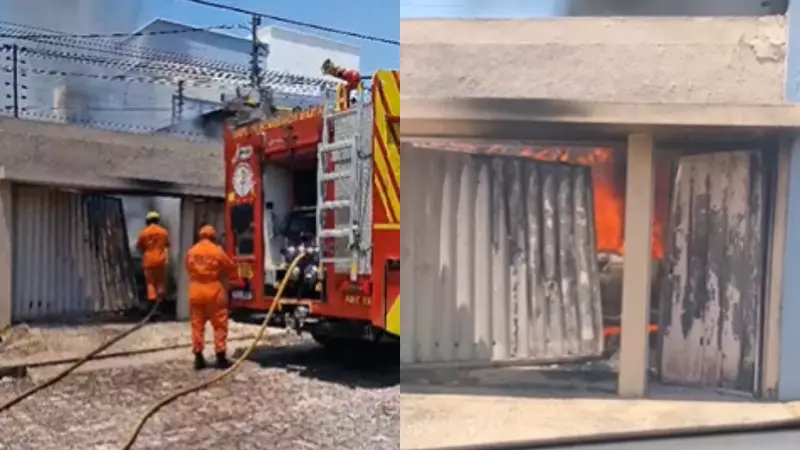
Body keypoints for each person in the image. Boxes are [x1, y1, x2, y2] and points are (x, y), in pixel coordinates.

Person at [185, 225, 237, 370]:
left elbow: (187, 267)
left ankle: (198, 357)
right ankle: (220, 356)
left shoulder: (191, 251)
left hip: (195, 291)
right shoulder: (217, 251)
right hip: (214, 291)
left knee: (197, 325)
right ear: (213, 237)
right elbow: (230, 267)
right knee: (220, 324)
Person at [135, 211, 170, 306]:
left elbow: (139, 247)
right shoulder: (163, 232)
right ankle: (160, 303)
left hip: (148, 261)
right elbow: (167, 245)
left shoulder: (144, 233)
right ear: (157, 220)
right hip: (161, 260)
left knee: (150, 283)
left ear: (147, 221)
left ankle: (152, 303)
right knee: (160, 282)